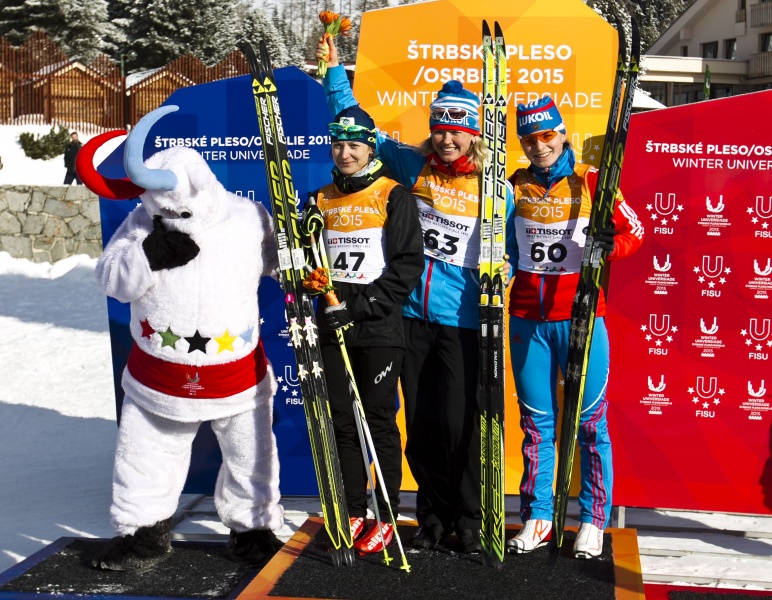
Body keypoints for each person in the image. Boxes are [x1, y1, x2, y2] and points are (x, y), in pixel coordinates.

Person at [317, 37, 516, 554]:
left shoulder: (498, 186)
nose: (447, 139)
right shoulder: (411, 167)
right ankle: (429, 517)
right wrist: (336, 74)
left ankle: (468, 518)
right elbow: (358, 130)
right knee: (421, 425)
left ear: (474, 134)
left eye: (458, 130)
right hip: (407, 316)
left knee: (460, 422)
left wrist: (506, 267)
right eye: (440, 129)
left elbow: (512, 243)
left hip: (464, 318)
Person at [77, 106, 285, 571]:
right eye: (159, 210)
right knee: (146, 451)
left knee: (251, 453)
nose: (172, 219)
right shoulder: (142, 223)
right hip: (159, 373)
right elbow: (111, 279)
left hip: (236, 373)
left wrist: (305, 262)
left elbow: (284, 268)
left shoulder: (249, 218)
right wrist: (147, 255)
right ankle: (142, 532)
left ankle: (253, 527)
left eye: (178, 211)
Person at [505, 97, 644, 558]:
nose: (539, 145)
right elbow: (503, 244)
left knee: (589, 423)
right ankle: (539, 516)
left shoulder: (593, 181)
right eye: (529, 138)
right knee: (537, 426)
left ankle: (592, 519)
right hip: (528, 320)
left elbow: (637, 231)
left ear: (562, 134)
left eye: (546, 135)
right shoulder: (515, 185)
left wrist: (612, 246)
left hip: (582, 317)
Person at [303, 105, 424, 554]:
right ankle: (353, 510)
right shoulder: (320, 197)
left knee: (377, 420)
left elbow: (408, 264)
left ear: (370, 147)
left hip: (376, 325)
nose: (345, 153)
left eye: (354, 145)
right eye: (338, 144)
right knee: (341, 422)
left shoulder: (393, 194)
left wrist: (359, 307)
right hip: (333, 323)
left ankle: (388, 511)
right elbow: (308, 260)